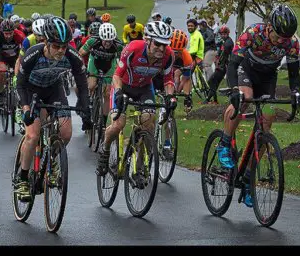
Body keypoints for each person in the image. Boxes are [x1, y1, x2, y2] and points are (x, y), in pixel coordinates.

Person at [218, 4, 300, 208]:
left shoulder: (292, 43)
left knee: (267, 122)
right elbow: (232, 64)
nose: (283, 41)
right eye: (280, 36)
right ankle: (224, 142)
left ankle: (248, 177)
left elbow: (294, 74)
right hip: (246, 70)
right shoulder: (252, 34)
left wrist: (296, 92)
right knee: (244, 100)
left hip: (268, 77)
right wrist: (233, 91)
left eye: (288, 37)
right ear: (269, 27)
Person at [12, 16, 90, 201]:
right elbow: (20, 84)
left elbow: (82, 81)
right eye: (56, 46)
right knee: (33, 135)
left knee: (65, 133)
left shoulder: (71, 55)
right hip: (31, 91)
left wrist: (84, 103)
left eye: (64, 46)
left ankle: (52, 162)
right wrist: (25, 108)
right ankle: (22, 178)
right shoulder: (33, 54)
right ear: (45, 41)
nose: (61, 51)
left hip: (54, 90)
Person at [96, 21, 178, 176]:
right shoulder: (133, 48)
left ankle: (139, 167)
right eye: (158, 44)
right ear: (148, 40)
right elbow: (117, 75)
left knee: (149, 123)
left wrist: (170, 97)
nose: (161, 48)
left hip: (145, 89)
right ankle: (105, 148)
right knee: (118, 124)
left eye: (165, 45)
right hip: (123, 86)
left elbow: (168, 79)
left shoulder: (169, 55)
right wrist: (119, 92)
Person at [79, 23, 123, 128]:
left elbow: (122, 62)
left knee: (107, 93)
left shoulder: (118, 45)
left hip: (109, 65)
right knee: (91, 85)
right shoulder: (93, 41)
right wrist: (82, 68)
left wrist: (119, 72)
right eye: (105, 41)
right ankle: (89, 104)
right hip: (94, 63)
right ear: (100, 37)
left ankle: (103, 121)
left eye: (110, 41)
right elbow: (80, 54)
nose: (107, 43)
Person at [0, 19, 26, 107]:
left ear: (14, 31)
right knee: (2, 72)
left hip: (15, 56)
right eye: (6, 33)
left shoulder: (20, 35)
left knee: (21, 72)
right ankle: (0, 93)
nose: (8, 36)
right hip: (2, 56)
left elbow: (26, 50)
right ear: (2, 32)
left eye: (10, 33)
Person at [207, 26, 234, 103]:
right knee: (214, 82)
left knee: (212, 81)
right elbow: (220, 54)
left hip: (224, 66)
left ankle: (209, 100)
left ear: (228, 33)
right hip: (223, 66)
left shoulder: (228, 43)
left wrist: (219, 65)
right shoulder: (225, 41)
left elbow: (224, 56)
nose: (223, 35)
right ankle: (213, 100)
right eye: (221, 34)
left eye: (224, 34)